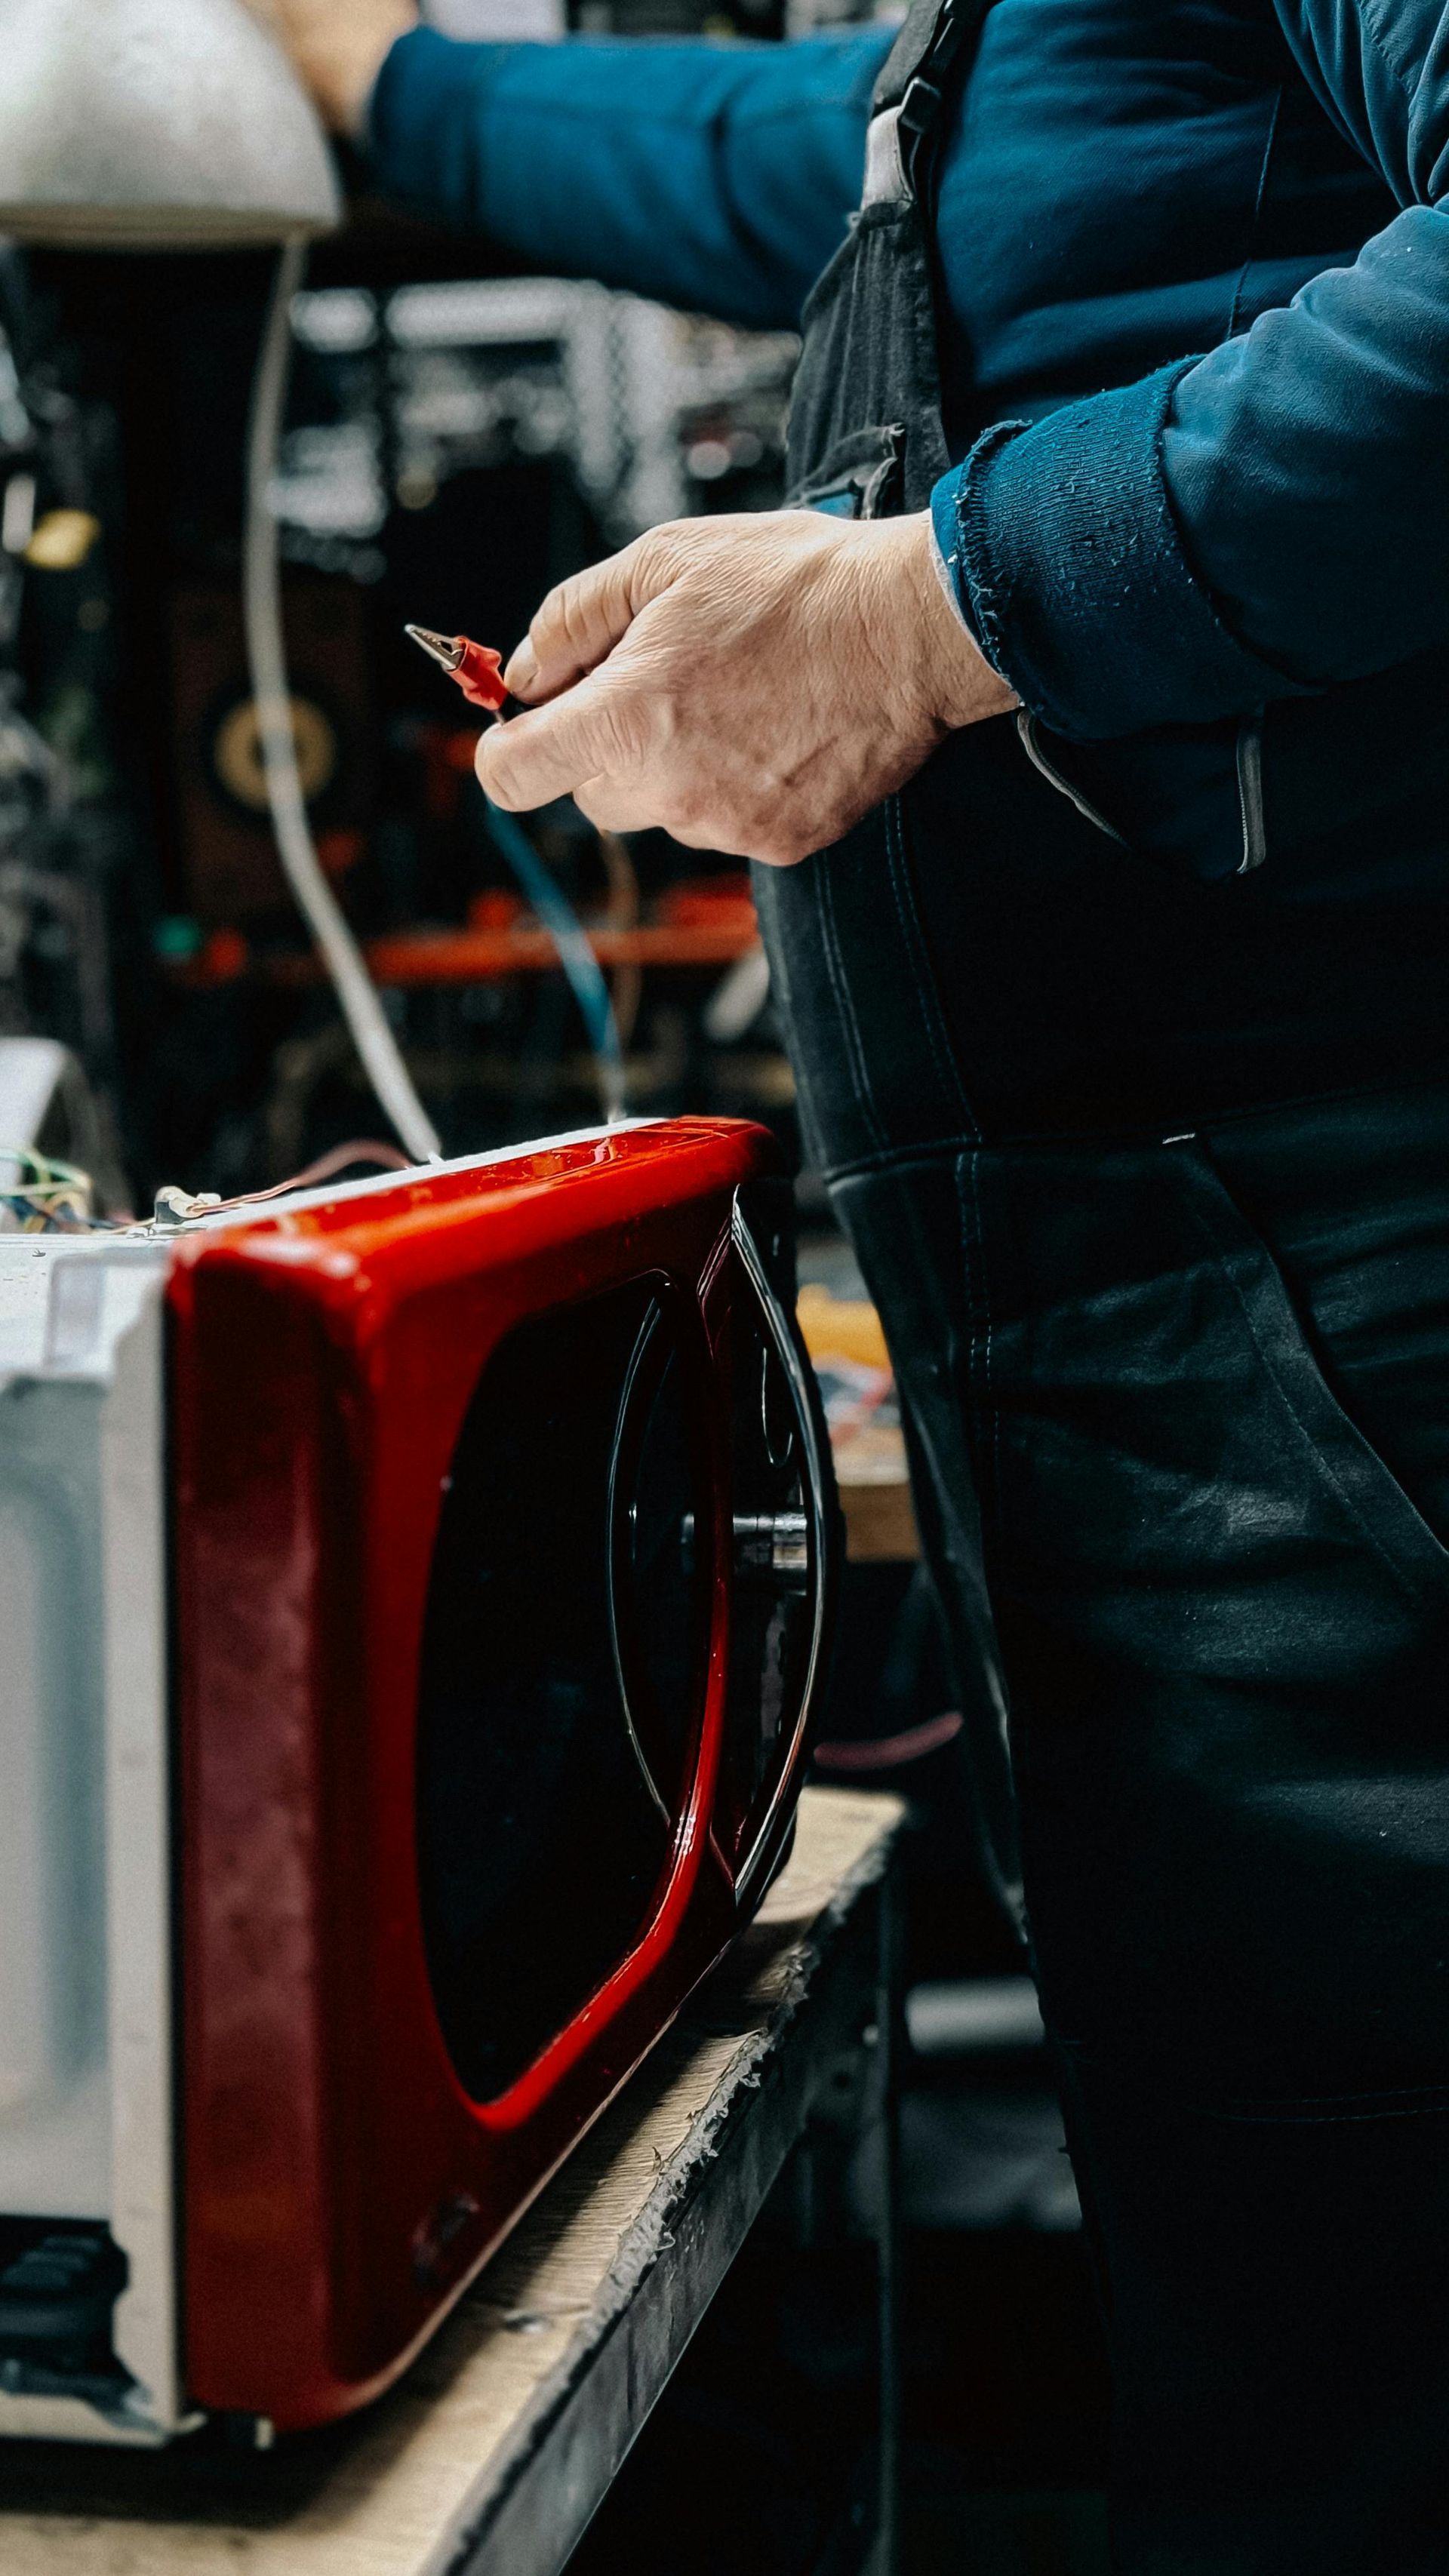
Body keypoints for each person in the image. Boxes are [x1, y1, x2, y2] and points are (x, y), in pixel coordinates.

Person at [257, 3, 1449, 2563]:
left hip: (1354, 1363)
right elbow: (812, 148)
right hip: (1196, 1383)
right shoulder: (1026, 53)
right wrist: (380, 85)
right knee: (1291, 2316)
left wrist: (934, 606)